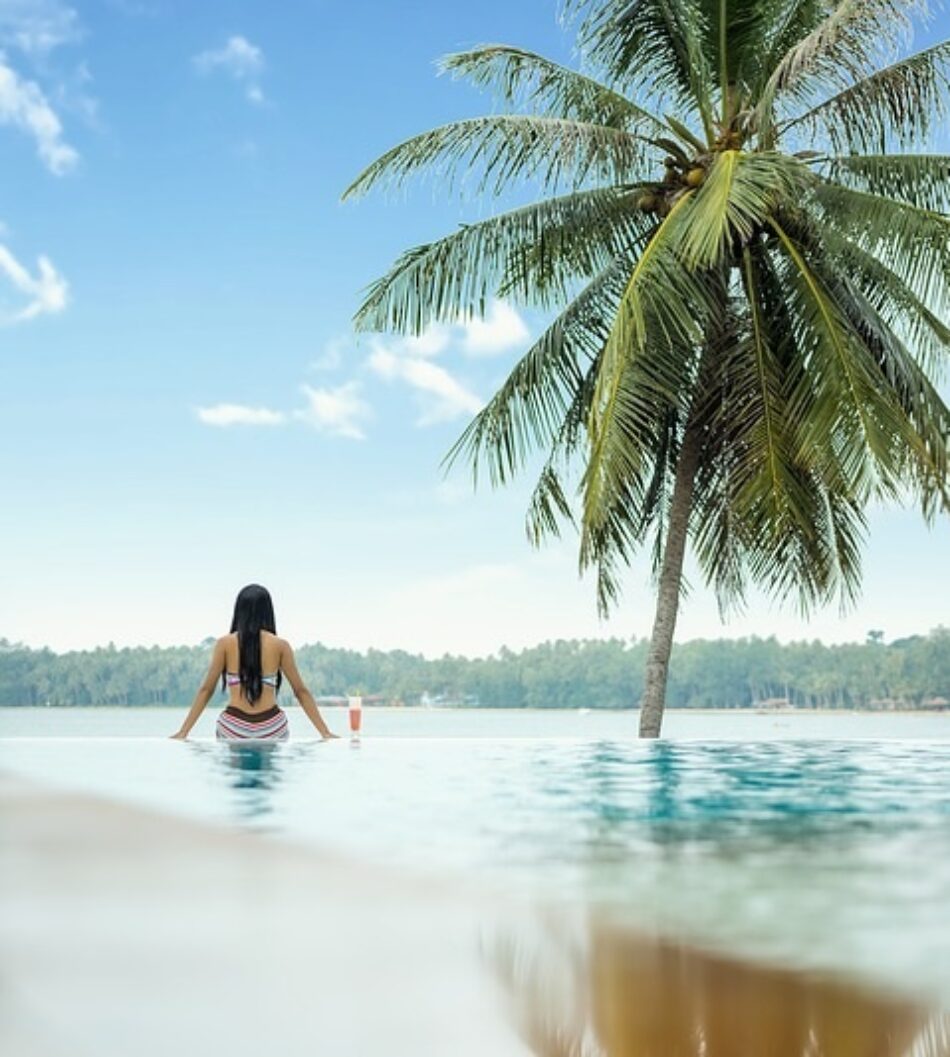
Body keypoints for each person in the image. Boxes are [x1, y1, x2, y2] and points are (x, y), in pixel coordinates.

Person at [170, 584, 336, 741]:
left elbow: (206, 690)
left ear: (239, 611)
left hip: (233, 727)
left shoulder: (224, 644)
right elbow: (301, 691)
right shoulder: (280, 645)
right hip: (271, 727)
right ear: (268, 612)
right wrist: (325, 732)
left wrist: (184, 731)